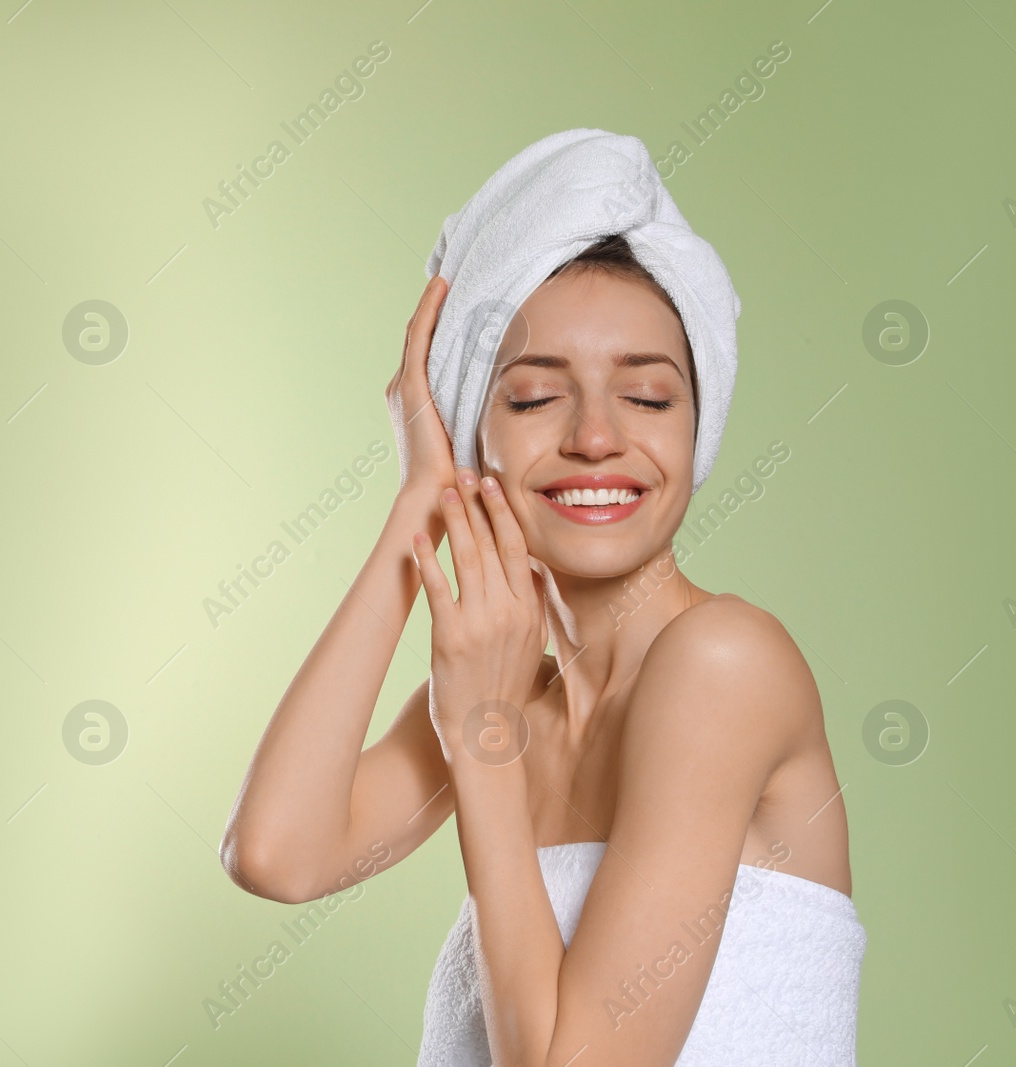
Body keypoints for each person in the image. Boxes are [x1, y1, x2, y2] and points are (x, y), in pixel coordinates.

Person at [219, 233, 866, 1066]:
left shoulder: (724, 662)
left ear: (696, 431)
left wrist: (482, 737)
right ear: (469, 440)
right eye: (531, 399)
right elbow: (276, 853)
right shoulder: (507, 693)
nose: (596, 437)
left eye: (647, 397)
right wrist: (422, 500)